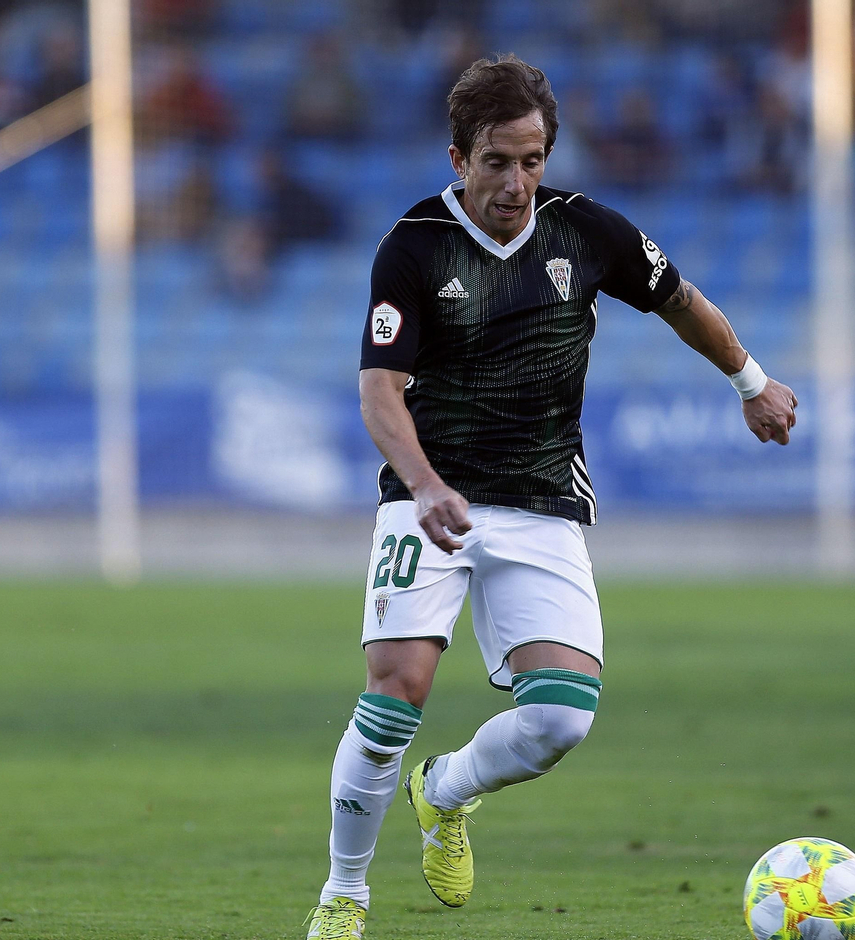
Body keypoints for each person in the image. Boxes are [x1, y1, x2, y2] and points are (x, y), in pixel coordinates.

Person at [303, 55, 797, 939]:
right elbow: (380, 392)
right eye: (497, 161)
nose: (517, 182)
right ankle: (345, 893)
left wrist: (750, 381)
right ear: (459, 159)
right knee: (394, 695)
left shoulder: (588, 232)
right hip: (430, 500)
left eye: (532, 160)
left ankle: (444, 792)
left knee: (563, 720)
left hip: (540, 500)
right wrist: (422, 484)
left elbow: (680, 299)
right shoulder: (413, 246)